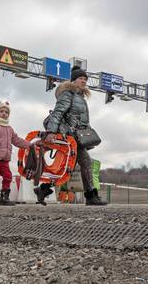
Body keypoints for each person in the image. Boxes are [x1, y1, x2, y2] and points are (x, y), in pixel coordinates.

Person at [43, 66, 107, 206]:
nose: (84, 81)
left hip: (76, 137)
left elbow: (80, 118)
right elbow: (58, 113)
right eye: (80, 78)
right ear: (73, 80)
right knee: (84, 163)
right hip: (69, 136)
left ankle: (43, 189)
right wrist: (50, 132)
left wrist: (87, 132)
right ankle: (91, 196)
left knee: (67, 166)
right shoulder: (68, 95)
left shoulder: (80, 97)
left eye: (85, 79)